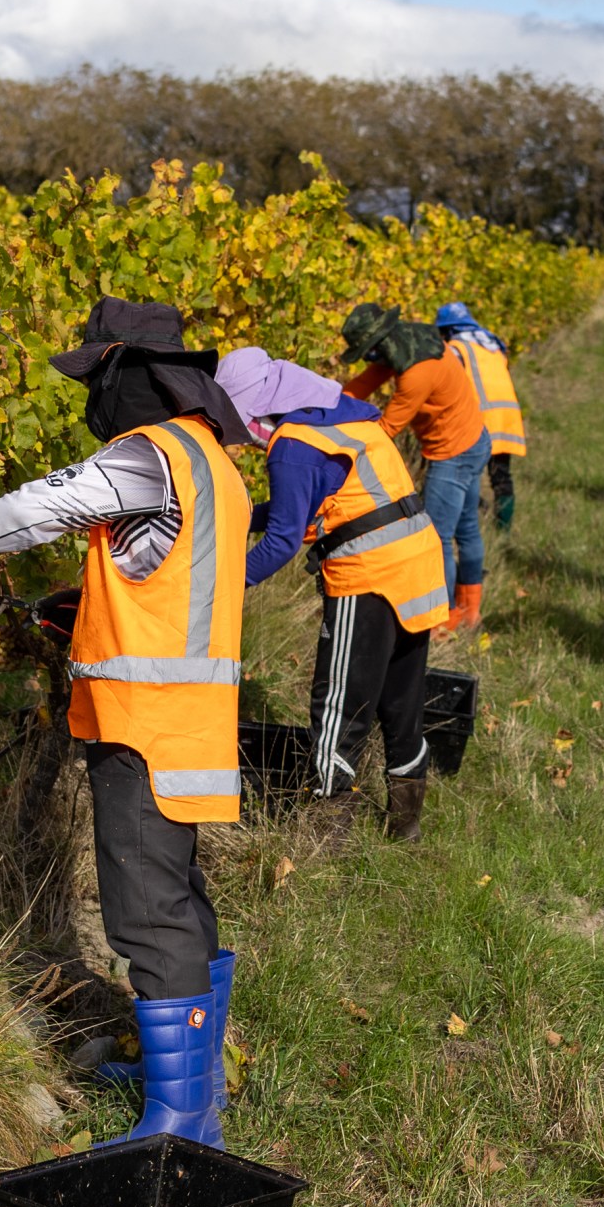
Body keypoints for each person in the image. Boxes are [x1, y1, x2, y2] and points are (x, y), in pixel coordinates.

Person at [0, 299, 247, 1150]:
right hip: (196, 717)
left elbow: (36, 509)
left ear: (127, 373)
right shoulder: (213, 461)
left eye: (98, 376)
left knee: (145, 912)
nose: (93, 397)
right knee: (179, 896)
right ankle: (193, 1080)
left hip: (143, 722)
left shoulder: (149, 453)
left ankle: (181, 1123)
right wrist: (86, 598)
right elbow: (169, 572)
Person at [217, 345, 450, 839]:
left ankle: (325, 832)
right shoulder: (344, 415)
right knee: (400, 700)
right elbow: (301, 506)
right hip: (417, 565)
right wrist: (236, 516)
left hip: (370, 575)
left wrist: (222, 585)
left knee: (341, 703)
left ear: (251, 411)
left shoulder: (293, 446)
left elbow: (282, 538)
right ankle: (404, 826)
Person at [340, 303, 491, 639]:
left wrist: (336, 442)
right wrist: (328, 402)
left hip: (452, 453)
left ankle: (442, 619)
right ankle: (470, 612)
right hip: (476, 440)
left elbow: (386, 429)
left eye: (369, 352)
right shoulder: (412, 341)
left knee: (436, 537)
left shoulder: (415, 373)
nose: (369, 359)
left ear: (381, 344)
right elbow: (363, 383)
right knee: (466, 528)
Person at [435, 301, 525, 531]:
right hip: (508, 415)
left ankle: (466, 525)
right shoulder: (493, 345)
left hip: (479, 419)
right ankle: (503, 529)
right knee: (501, 476)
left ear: (448, 329)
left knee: (466, 475)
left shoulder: (456, 348)